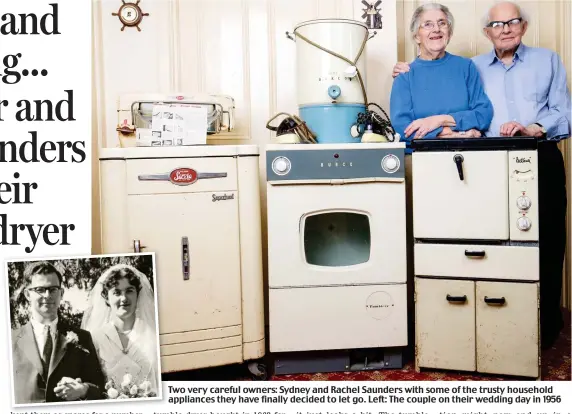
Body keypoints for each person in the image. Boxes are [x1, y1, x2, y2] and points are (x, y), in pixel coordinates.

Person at [392, 1, 571, 349]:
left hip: (539, 153)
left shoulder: (543, 61)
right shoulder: (465, 67)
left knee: (546, 241)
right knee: (487, 241)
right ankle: (488, 323)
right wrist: (444, 125)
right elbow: (413, 121)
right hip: (484, 163)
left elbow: (557, 113)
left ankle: (544, 328)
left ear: (524, 26)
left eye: (512, 22)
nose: (505, 29)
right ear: (486, 32)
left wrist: (533, 127)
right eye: (496, 24)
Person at [389, 2, 494, 149]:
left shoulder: (466, 66)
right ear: (416, 36)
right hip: (421, 157)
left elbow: (483, 114)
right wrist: (455, 134)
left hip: (467, 153)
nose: (436, 29)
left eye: (442, 23)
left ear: (449, 32)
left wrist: (439, 120)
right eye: (428, 24)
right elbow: (403, 129)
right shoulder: (404, 74)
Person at [11, 262, 104, 404]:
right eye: (40, 290)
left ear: (61, 293)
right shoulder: (9, 340)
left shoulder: (83, 338)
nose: (47, 295)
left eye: (53, 289)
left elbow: (99, 387)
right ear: (27, 294)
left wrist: (83, 389)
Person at [81, 264, 159, 398]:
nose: (124, 298)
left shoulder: (152, 334)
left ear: (137, 294)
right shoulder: (96, 338)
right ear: (106, 297)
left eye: (129, 291)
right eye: (117, 292)